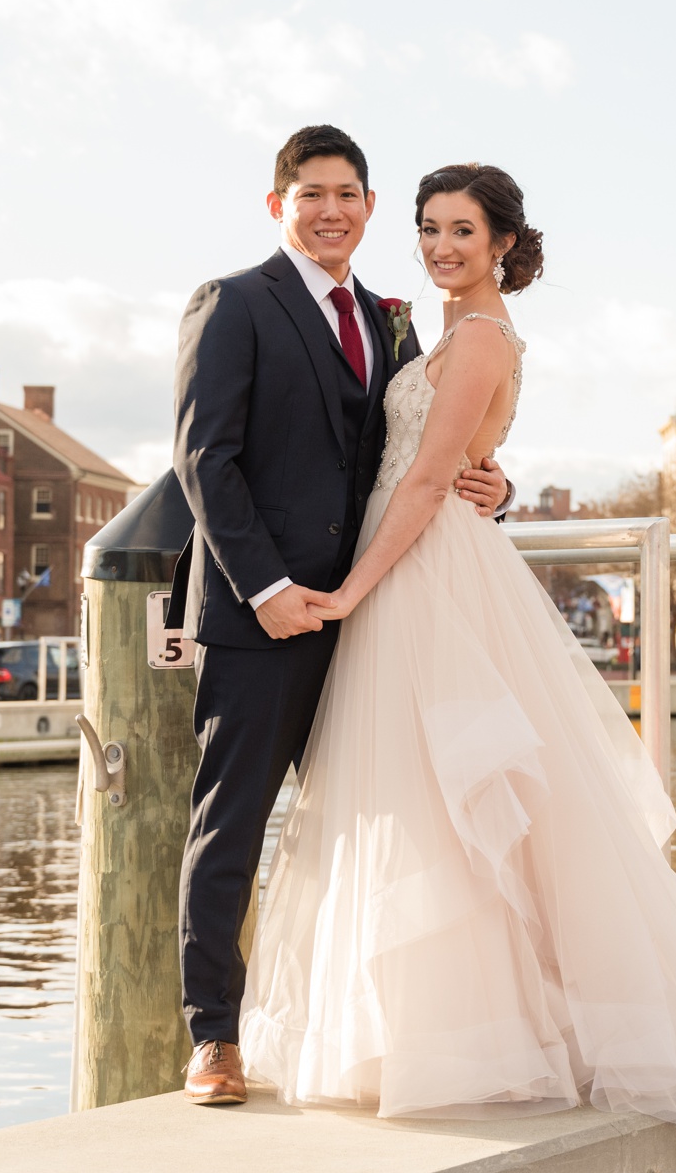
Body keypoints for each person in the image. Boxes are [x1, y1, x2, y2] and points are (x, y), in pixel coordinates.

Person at [234, 162, 676, 1155]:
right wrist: (488, 485)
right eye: (429, 228)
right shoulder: (445, 334)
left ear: (502, 246)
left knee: (447, 800)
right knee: (428, 802)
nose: (439, 246)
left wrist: (352, 591)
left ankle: (470, 1040)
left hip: (425, 575)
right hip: (425, 567)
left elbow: (430, 478)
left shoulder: (477, 338)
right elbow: (443, 461)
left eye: (461, 232)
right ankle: (429, 1032)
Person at [167, 126, 512, 1111]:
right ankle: (214, 1039)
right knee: (229, 826)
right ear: (277, 204)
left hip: (376, 612)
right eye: (311, 192)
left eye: (349, 194)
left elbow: (420, 449)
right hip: (263, 616)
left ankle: (355, 1027)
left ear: (367, 208)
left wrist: (493, 479)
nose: (331, 209)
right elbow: (205, 460)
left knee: (381, 824)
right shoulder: (233, 303)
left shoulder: (392, 321)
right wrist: (266, 589)